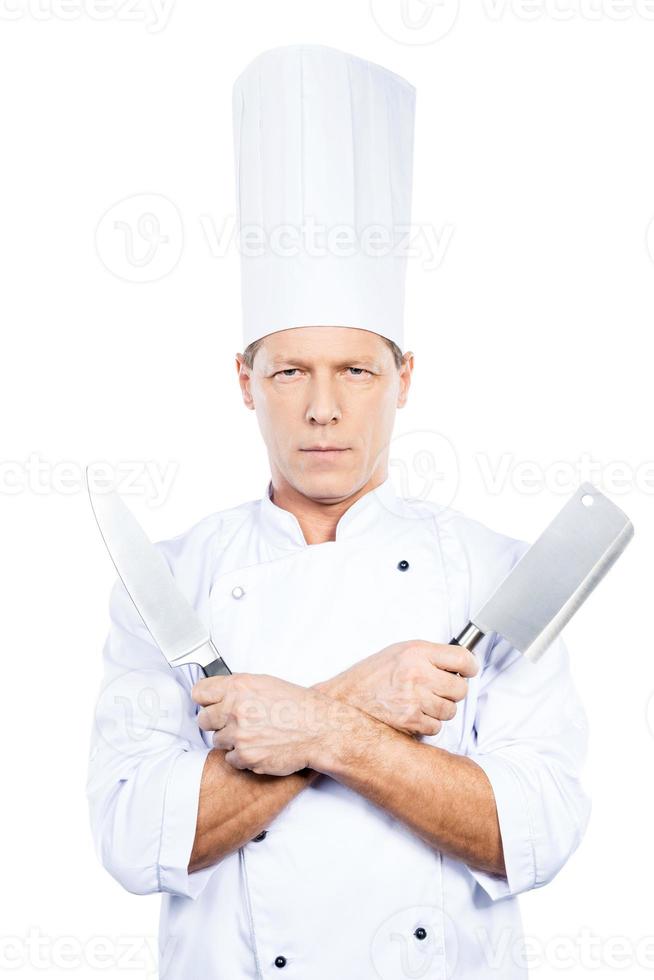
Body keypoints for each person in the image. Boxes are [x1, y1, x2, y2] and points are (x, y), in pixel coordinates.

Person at [86, 44, 591, 979]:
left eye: (356, 370)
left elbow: (531, 834)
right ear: (245, 380)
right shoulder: (168, 581)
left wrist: (316, 727)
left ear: (405, 378)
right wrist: (361, 697)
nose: (324, 409)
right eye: (290, 372)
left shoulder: (497, 573)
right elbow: (133, 837)